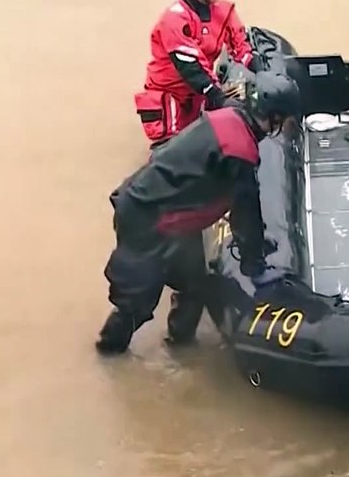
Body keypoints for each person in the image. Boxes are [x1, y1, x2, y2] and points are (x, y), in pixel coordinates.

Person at [95, 72, 302, 355]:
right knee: (137, 302)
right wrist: (255, 265)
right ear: (276, 117)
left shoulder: (229, 116)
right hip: (148, 218)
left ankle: (180, 348)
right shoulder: (239, 150)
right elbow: (246, 213)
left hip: (165, 210)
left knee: (194, 285)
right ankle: (109, 353)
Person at [135, 0, 262, 149]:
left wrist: (260, 70)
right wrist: (217, 96)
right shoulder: (175, 19)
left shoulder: (224, 11)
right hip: (172, 95)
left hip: (197, 94)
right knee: (172, 150)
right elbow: (190, 66)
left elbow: (240, 45)